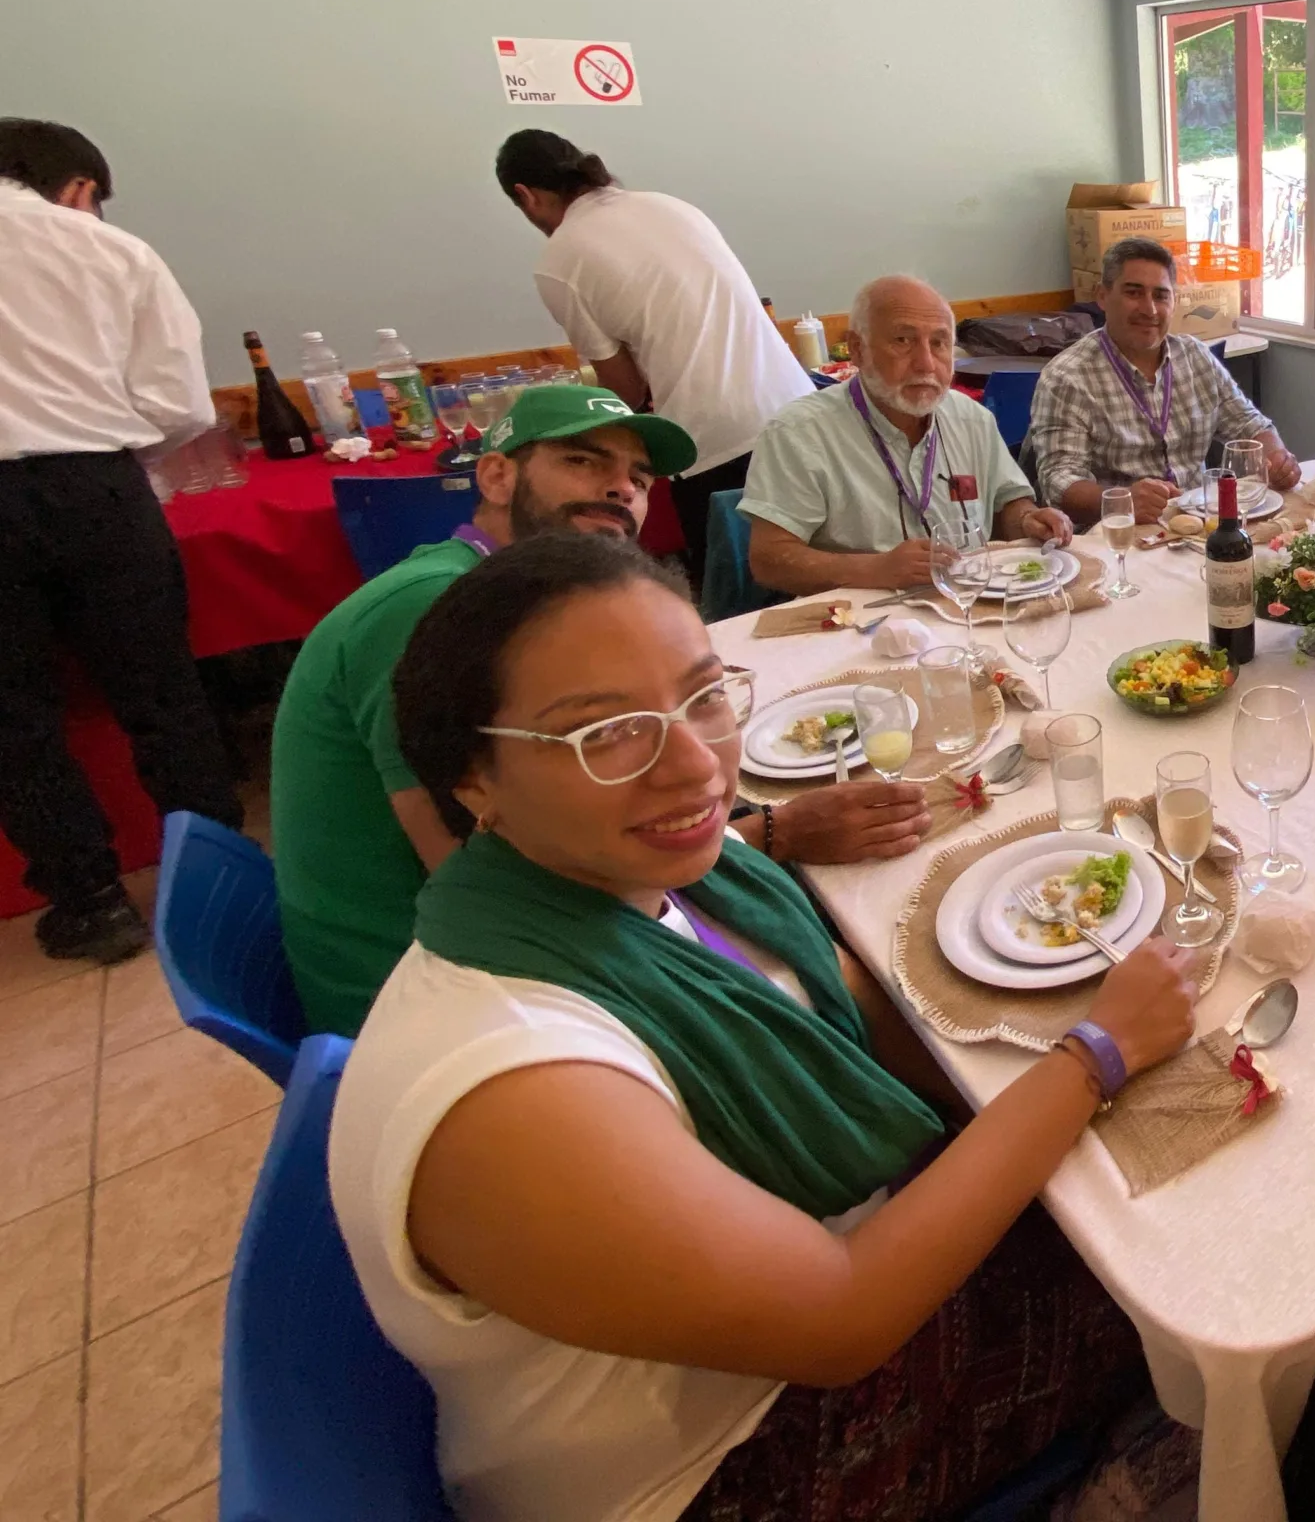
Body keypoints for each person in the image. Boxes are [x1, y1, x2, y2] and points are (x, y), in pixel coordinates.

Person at [332, 534, 1203, 1520]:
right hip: (719, 1461)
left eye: (704, 696)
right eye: (605, 733)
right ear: (473, 780)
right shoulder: (509, 1089)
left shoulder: (642, 883)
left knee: (1119, 1185)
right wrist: (1091, 1057)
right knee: (1174, 1276)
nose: (696, 766)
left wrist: (1038, 1053)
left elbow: (843, 1002)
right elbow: (843, 1317)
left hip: (787, 1315)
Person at [270, 386, 932, 1036]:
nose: (621, 489)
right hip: (450, 997)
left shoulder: (525, 597)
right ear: (496, 477)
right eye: (583, 461)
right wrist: (774, 834)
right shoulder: (435, 610)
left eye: (638, 478)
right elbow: (489, 868)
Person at [0, 118, 240, 962]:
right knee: (162, 695)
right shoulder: (112, 251)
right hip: (96, 488)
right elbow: (181, 407)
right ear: (78, 188)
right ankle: (218, 877)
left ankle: (90, 902)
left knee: (14, 718)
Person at [495, 131, 811, 578]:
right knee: (819, 575)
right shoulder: (671, 206)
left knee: (738, 595)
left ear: (525, 195)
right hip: (800, 411)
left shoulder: (560, 258)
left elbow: (623, 389)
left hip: (713, 442)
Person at [740, 275, 1070, 594]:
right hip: (857, 619)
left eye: (939, 343)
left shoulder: (973, 420)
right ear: (857, 349)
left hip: (967, 604)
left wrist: (1027, 520)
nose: (926, 363)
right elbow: (769, 560)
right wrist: (875, 569)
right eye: (903, 341)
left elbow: (1007, 506)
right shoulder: (800, 432)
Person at [1028, 237, 1297, 525]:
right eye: (1134, 293)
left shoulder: (1195, 357)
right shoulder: (1067, 377)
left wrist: (1277, 460)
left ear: (1174, 301)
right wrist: (1122, 501)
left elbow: (1250, 425)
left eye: (1160, 296)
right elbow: (1059, 482)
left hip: (1198, 526)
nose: (1150, 310)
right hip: (1116, 533)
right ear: (1102, 296)